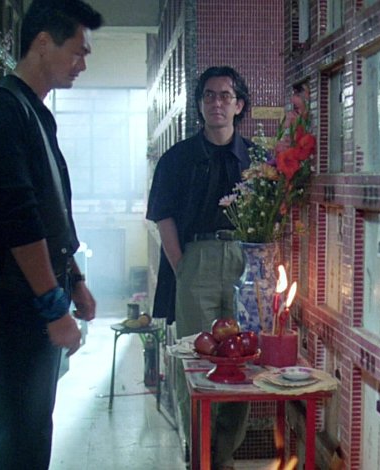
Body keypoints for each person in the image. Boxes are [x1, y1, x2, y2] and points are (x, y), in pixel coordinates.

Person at [0, 1, 101, 468]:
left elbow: (49, 212)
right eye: (77, 51)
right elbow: (17, 216)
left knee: (33, 427)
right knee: (19, 432)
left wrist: (73, 279)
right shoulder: (2, 110)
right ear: (42, 42)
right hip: (15, 299)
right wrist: (52, 305)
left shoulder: (34, 112)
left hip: (34, 293)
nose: (82, 64)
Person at [147, 66, 256, 470]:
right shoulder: (176, 159)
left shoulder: (257, 160)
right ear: (199, 104)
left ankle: (222, 456)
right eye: (208, 95)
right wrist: (182, 266)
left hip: (244, 262)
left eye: (225, 96)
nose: (216, 103)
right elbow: (163, 216)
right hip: (196, 260)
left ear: (239, 104)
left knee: (243, 361)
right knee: (196, 359)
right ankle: (200, 454)